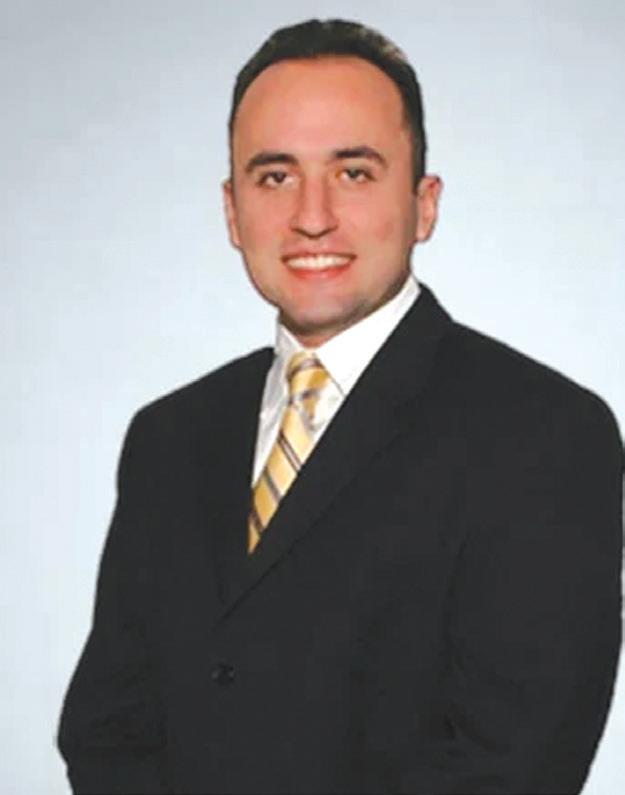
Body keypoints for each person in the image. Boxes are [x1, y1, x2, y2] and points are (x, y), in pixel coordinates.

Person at [58, 18, 623, 795]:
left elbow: (512, 765)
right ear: (231, 210)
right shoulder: (169, 437)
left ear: (423, 203)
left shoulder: (543, 434)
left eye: (353, 172)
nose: (312, 215)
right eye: (274, 176)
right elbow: (106, 729)